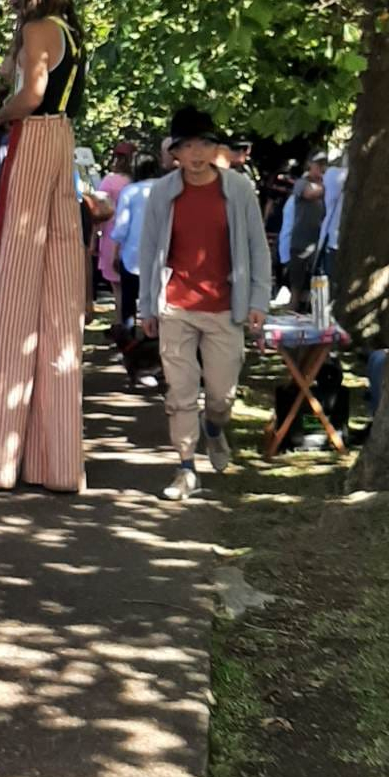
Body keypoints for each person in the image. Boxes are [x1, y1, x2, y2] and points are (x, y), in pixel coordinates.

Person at [0, 0, 88, 492]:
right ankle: (55, 462)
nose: (12, 1)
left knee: (15, 293)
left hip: (35, 140)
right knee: (58, 302)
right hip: (61, 143)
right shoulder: (68, 31)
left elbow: (32, 95)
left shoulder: (40, 29)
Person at [139, 107, 272, 500]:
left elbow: (257, 247)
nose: (196, 154)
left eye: (203, 144)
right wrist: (147, 307)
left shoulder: (239, 190)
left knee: (220, 395)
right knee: (180, 394)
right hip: (175, 306)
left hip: (225, 307)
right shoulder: (163, 192)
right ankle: (185, 468)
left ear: (216, 149)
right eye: (187, 146)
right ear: (175, 152)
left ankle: (214, 428)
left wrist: (259, 300)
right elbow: (149, 250)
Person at [110, 156, 162, 329]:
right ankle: (156, 334)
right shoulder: (166, 189)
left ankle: (129, 333)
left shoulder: (130, 191)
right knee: (158, 297)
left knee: (129, 298)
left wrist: (115, 252)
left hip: (132, 252)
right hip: (161, 251)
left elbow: (121, 227)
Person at [285, 153, 328, 310]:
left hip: (319, 240)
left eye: (324, 164)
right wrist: (329, 186)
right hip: (301, 240)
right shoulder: (301, 183)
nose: (321, 168)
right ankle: (293, 307)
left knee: (317, 281)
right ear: (310, 164)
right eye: (318, 164)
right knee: (296, 281)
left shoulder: (325, 184)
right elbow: (309, 193)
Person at [97, 143, 135, 306]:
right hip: (134, 236)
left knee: (117, 286)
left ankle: (120, 317)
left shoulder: (110, 180)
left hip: (112, 234)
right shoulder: (136, 181)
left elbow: (99, 207)